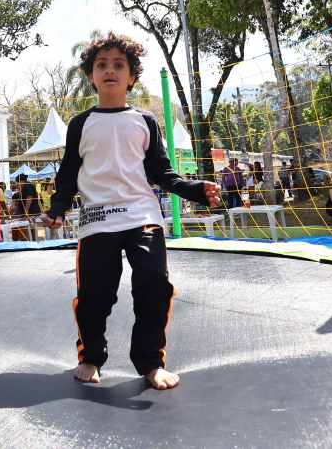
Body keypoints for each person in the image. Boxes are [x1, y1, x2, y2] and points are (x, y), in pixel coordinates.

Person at [40, 32, 222, 391]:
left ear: (132, 76)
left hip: (141, 216)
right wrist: (57, 208)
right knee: (94, 296)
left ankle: (151, 361)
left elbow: (161, 172)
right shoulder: (80, 123)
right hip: (96, 221)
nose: (110, 70)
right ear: (91, 75)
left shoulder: (145, 120)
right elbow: (67, 176)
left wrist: (195, 190)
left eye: (119, 65)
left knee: (156, 282)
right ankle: (91, 355)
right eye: (101, 65)